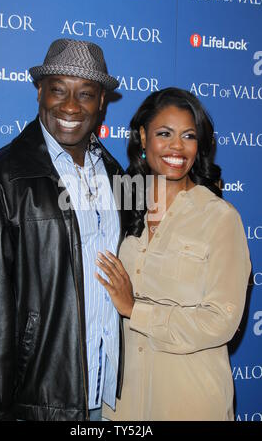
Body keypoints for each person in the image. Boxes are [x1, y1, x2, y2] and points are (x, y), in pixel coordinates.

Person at [0, 38, 127, 421]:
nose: (70, 106)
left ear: (101, 101)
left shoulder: (116, 176)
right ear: (40, 92)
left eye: (85, 93)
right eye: (58, 90)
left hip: (106, 397)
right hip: (37, 403)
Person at [96, 87, 251, 421]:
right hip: (121, 406)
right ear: (142, 136)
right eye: (164, 133)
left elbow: (221, 321)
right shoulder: (120, 206)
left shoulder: (220, 218)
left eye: (189, 136)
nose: (177, 147)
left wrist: (136, 310)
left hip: (190, 402)